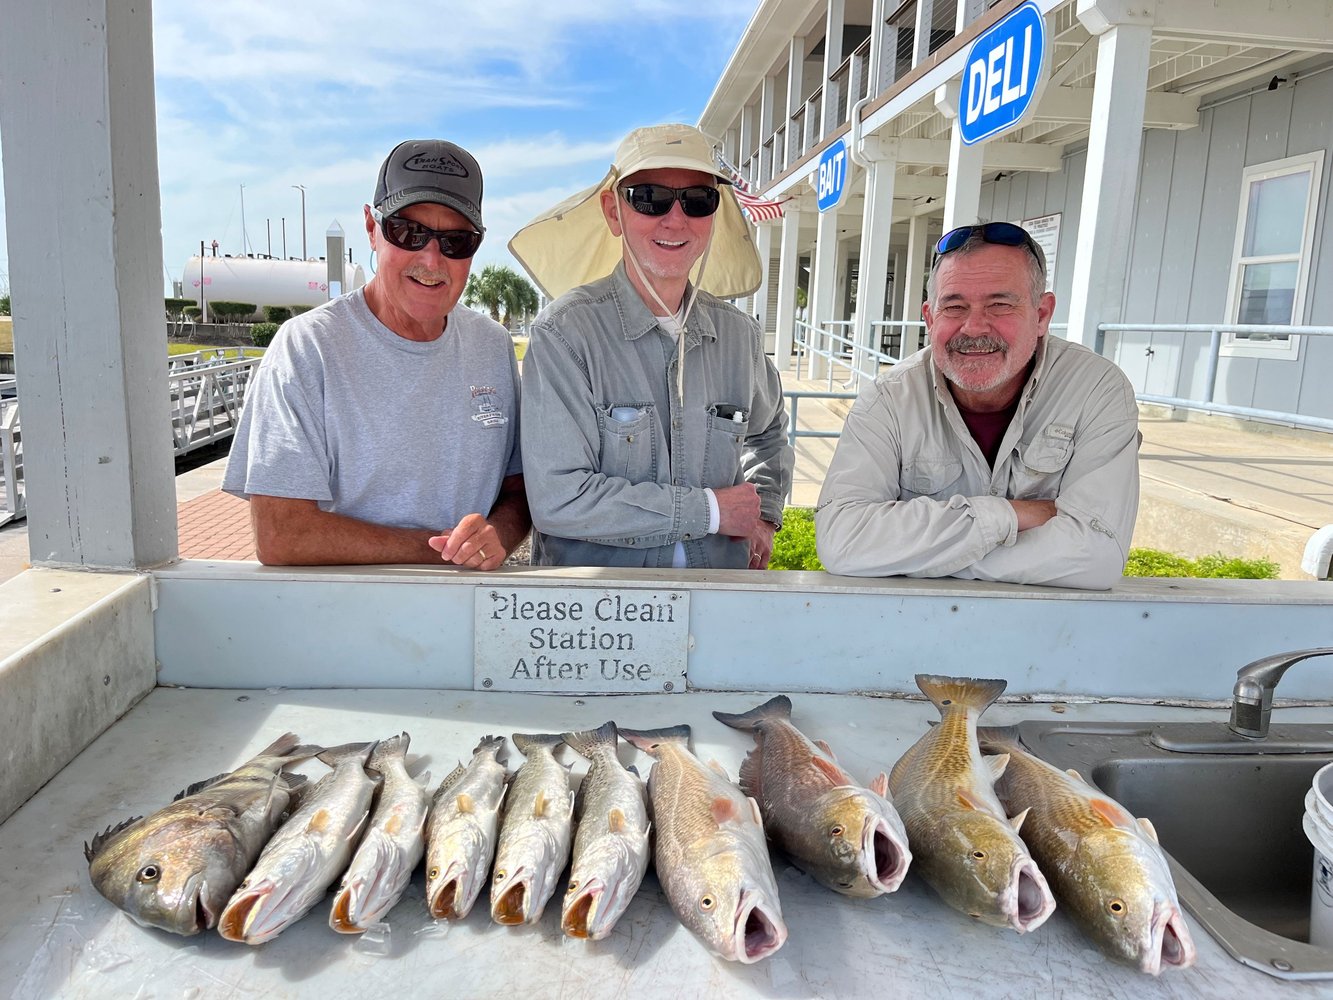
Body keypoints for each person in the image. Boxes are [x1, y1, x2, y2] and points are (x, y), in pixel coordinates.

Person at [222, 139, 528, 568]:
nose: (432, 259)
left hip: (469, 619)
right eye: (409, 232)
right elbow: (281, 534)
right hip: (347, 621)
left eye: (457, 241)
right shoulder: (308, 347)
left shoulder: (492, 345)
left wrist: (496, 535)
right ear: (371, 226)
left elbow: (517, 491)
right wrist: (440, 550)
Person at [509, 123, 793, 569]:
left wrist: (765, 516)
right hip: (599, 617)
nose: (675, 218)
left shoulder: (741, 336)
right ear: (612, 211)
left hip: (718, 601)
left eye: (698, 200)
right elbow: (558, 498)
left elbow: (769, 432)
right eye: (649, 197)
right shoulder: (565, 334)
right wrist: (712, 511)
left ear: (714, 214)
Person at [815, 222, 1140, 590]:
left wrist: (920, 554)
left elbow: (1097, 557)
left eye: (1000, 305)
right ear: (930, 317)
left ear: (1042, 315)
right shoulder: (889, 398)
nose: (973, 327)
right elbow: (842, 540)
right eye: (954, 306)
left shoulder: (1097, 389)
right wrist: (1011, 517)